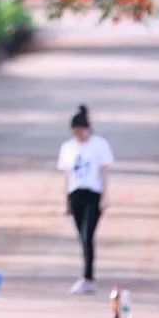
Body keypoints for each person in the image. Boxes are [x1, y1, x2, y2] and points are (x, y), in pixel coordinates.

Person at [57, 105, 113, 294]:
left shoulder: (99, 144)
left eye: (80, 131)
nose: (78, 135)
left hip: (93, 193)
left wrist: (105, 196)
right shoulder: (68, 147)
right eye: (75, 132)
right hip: (76, 194)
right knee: (82, 237)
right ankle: (86, 276)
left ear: (87, 128)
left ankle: (88, 277)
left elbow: (104, 172)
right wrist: (66, 201)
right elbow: (67, 175)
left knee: (88, 235)